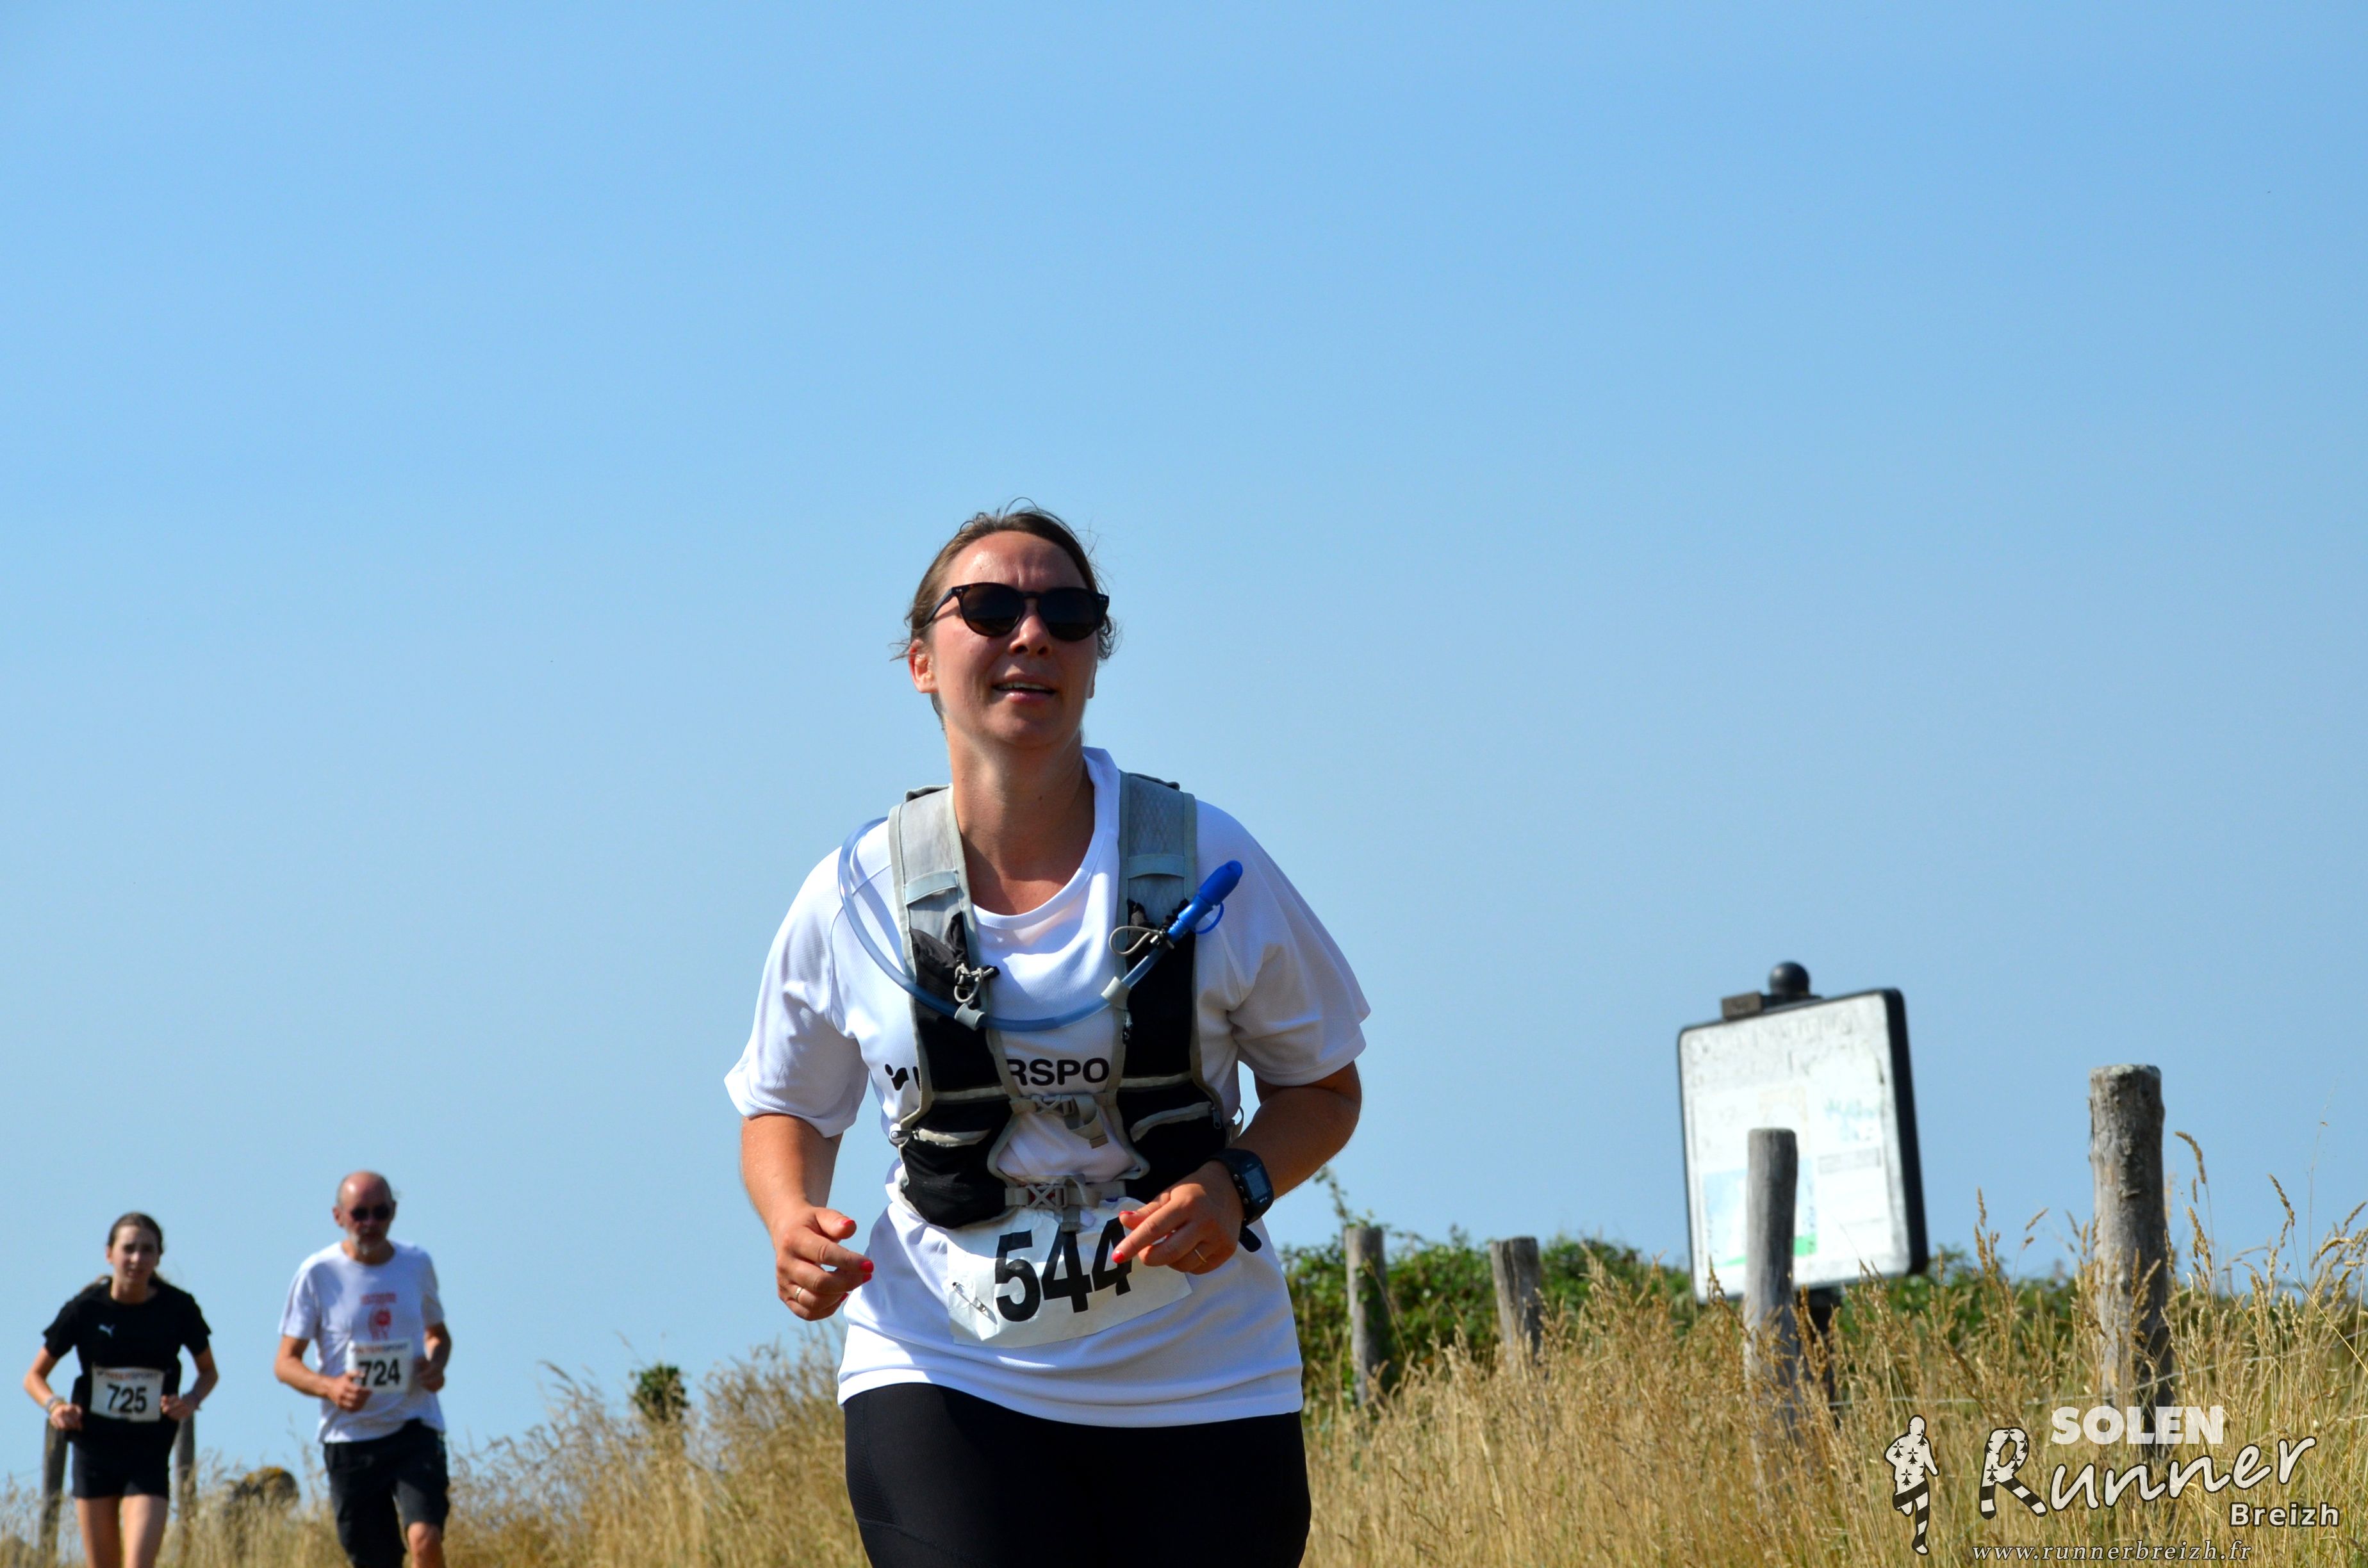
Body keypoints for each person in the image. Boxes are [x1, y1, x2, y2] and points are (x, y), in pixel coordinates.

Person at [725, 507, 1367, 1568]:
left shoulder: (1207, 861)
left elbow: (1324, 1089)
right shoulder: (853, 892)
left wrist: (1235, 1185)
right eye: (989, 608)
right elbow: (787, 1102)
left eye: (1067, 614)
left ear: (1094, 660)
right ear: (921, 661)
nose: (1031, 634)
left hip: (1203, 1378)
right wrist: (791, 1218)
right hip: (942, 1366)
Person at [274, 1172, 452, 1568]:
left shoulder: (416, 1263)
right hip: (350, 1438)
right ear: (338, 1216)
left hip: (413, 1427)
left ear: (394, 1212)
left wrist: (436, 1365)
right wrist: (331, 1387)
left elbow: (438, 1335)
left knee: (425, 1539)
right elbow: (285, 1363)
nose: (371, 1223)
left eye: (380, 1212)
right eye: (360, 1214)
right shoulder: (317, 1273)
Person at [22, 1213, 217, 1568]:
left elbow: (209, 1372)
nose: (137, 1259)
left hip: (148, 1453)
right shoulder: (85, 1310)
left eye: (147, 1250)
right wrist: (55, 1406)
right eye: (129, 1249)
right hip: (94, 1451)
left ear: (158, 1257)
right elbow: (34, 1377)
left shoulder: (178, 1308)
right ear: (109, 1253)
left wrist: (190, 1401)